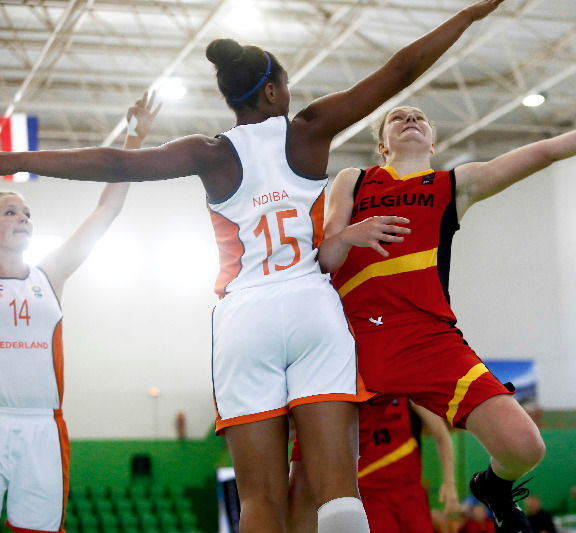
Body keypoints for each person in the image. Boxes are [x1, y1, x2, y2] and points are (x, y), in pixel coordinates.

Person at [0, 3, 507, 531]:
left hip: (245, 320)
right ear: (272, 93)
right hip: (313, 309)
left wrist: (16, 161)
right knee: (337, 494)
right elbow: (400, 69)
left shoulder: (209, 152)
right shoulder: (307, 130)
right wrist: (469, 15)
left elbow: (114, 163)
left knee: (261, 502)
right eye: (286, 85)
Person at [310, 71, 576, 533]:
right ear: (383, 145)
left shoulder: (454, 185)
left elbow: (545, 151)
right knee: (323, 495)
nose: (410, 118)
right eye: (398, 117)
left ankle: (494, 487)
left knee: (525, 446)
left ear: (433, 141)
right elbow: (323, 259)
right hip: (353, 340)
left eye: (419, 117)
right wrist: (352, 234)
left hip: (427, 337)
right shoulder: (353, 180)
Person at [0, 92, 160, 533]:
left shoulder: (49, 275)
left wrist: (134, 138)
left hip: (42, 428)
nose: (24, 217)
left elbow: (106, 210)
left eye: (28, 212)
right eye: (11, 210)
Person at [288, 397, 460, 533]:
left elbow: (441, 435)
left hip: (409, 494)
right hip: (368, 497)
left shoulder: (402, 386)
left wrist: (449, 483)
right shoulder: (341, 391)